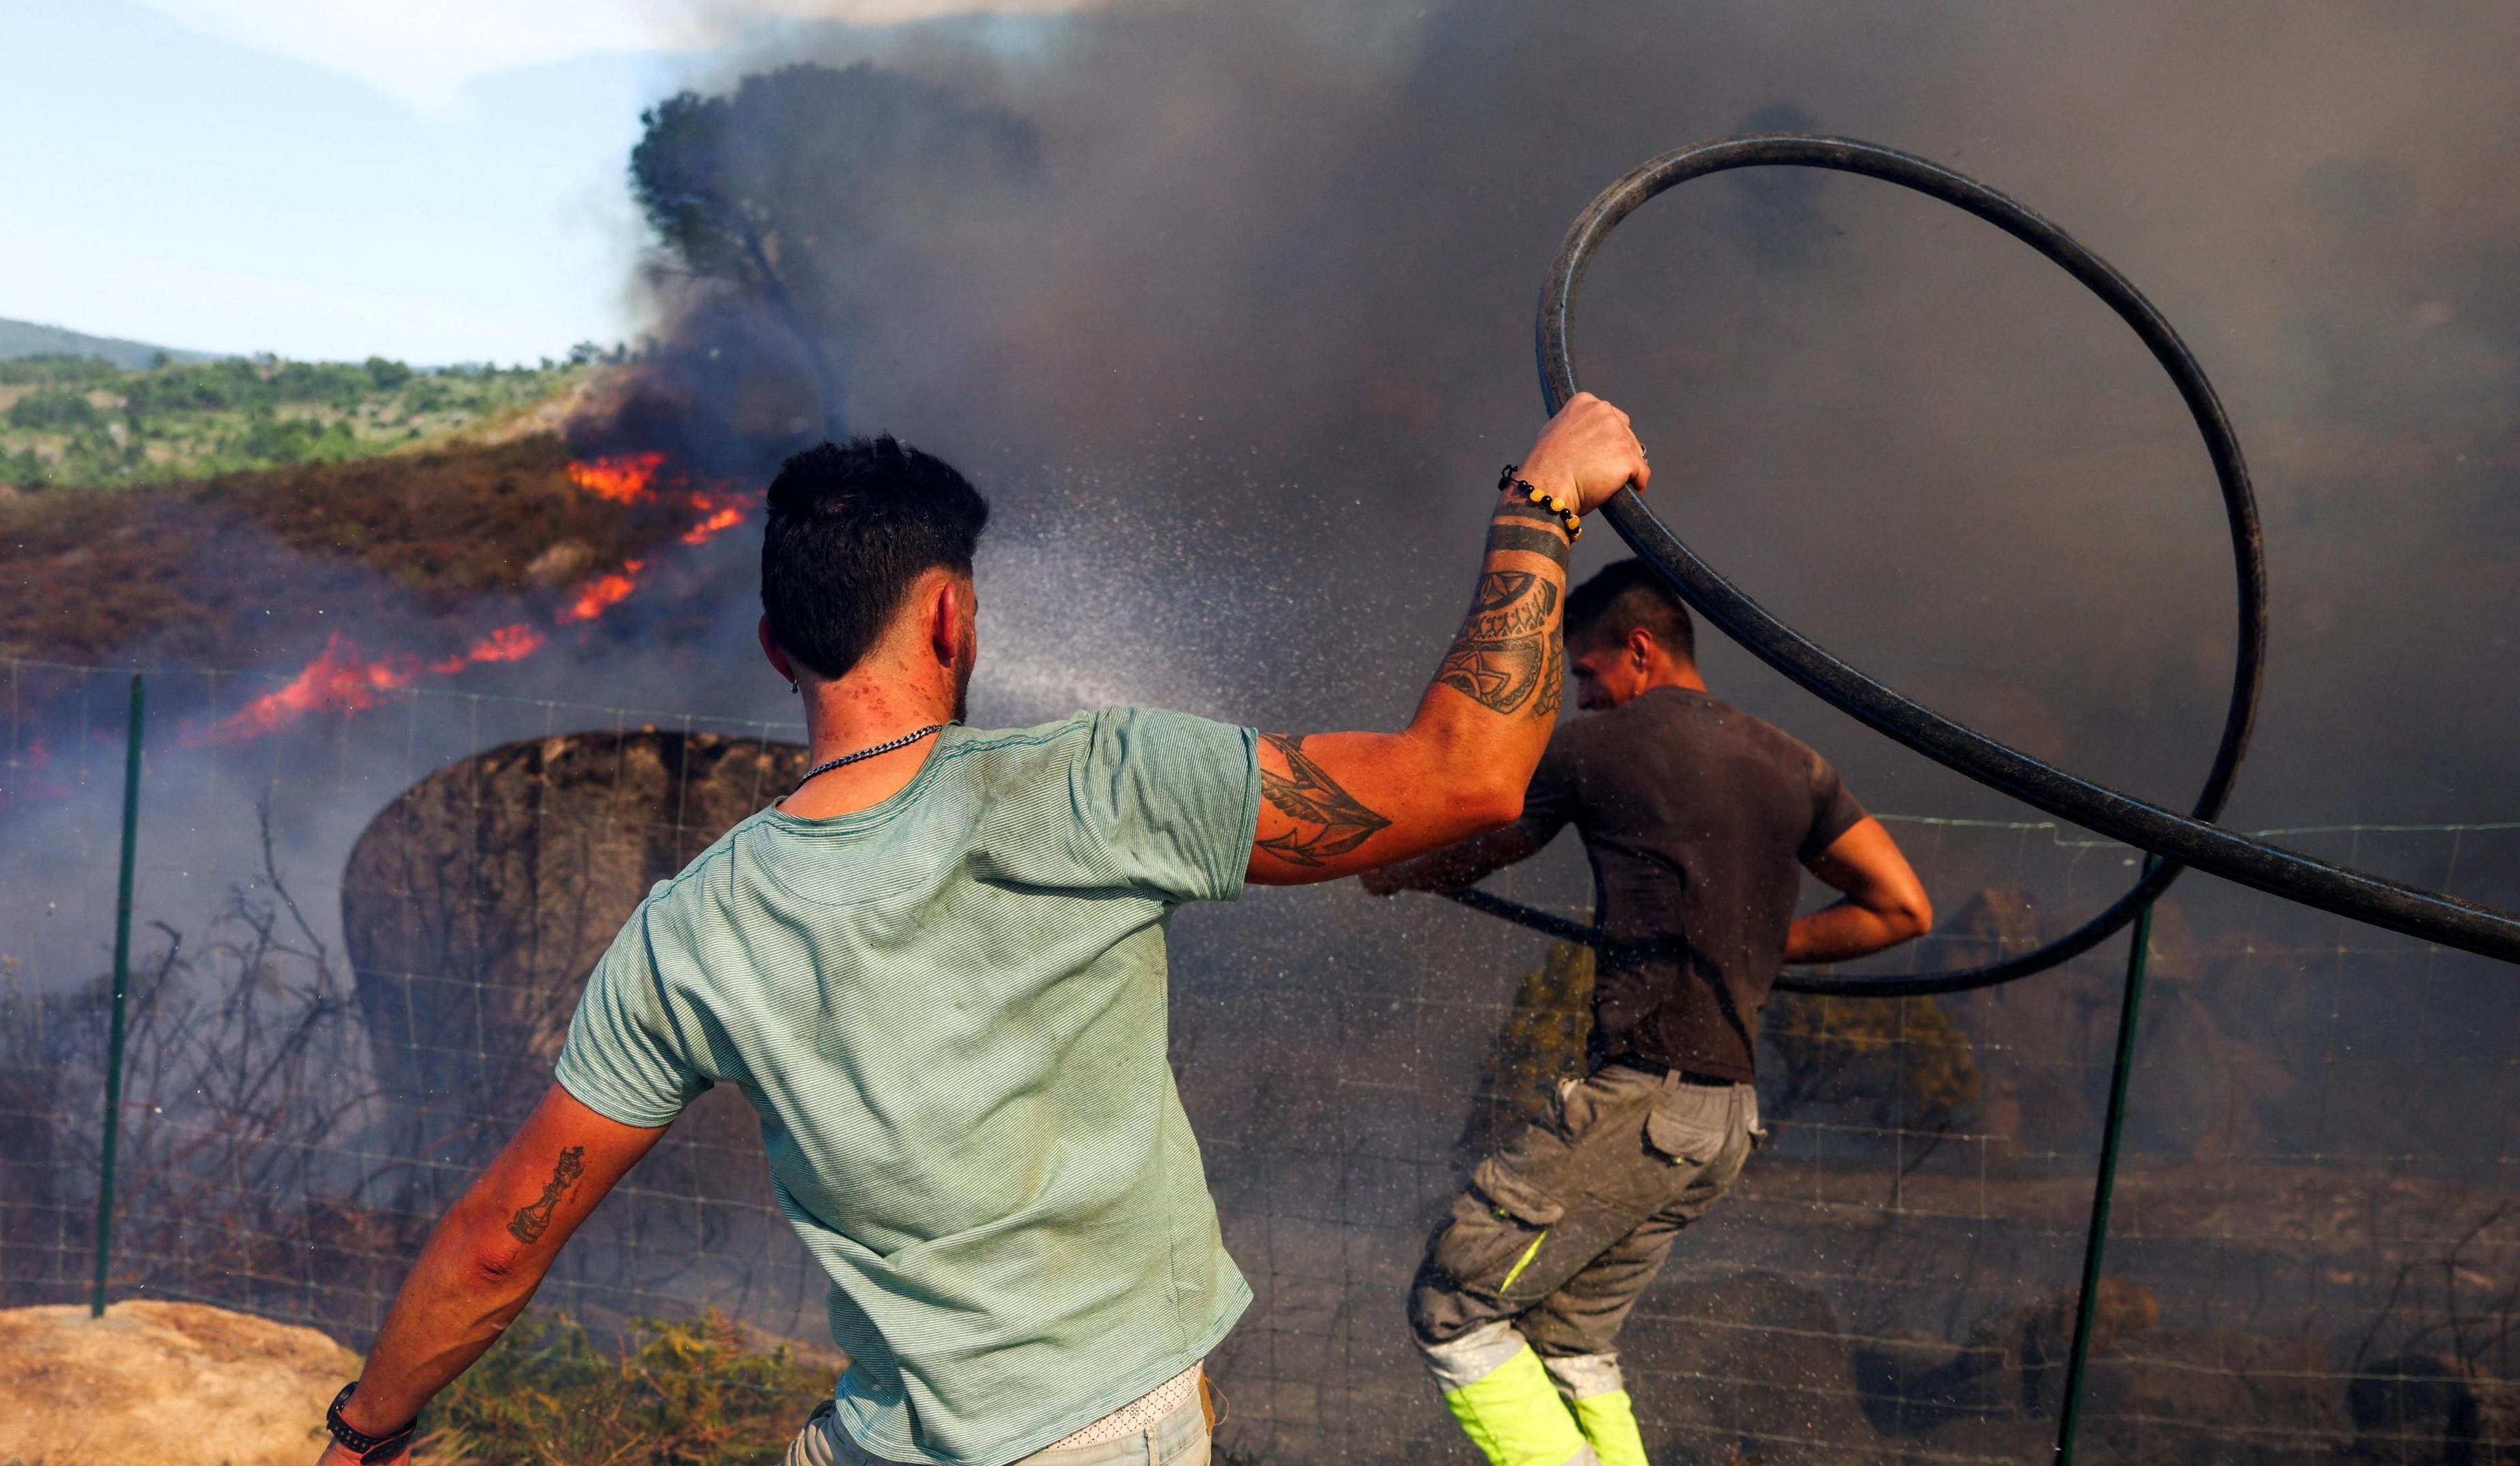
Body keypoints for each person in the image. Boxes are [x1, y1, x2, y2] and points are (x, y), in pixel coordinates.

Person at [312, 395, 1651, 1466]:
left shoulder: (690, 931)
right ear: (953, 613)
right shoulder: (1094, 782)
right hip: (1112, 1433)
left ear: (780, 651)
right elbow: (1468, 774)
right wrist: (1540, 508)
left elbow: (503, 1237)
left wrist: (364, 1433)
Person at [1362, 559, 1935, 1466]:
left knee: (1455, 1308)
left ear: (1639, 651)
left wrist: (1390, 866)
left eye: (1587, 673)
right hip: (1725, 1124)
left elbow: (1480, 832)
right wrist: (1757, 941)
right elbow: (1903, 906)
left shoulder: (1599, 748)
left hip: (1646, 1106)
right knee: (1570, 1343)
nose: (1584, 697)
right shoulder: (1797, 763)